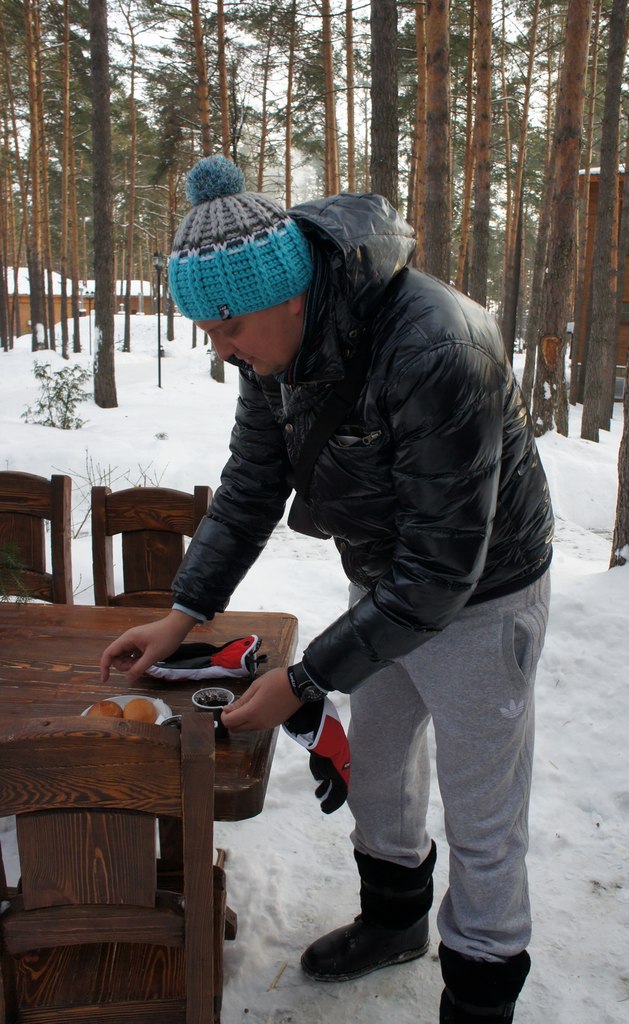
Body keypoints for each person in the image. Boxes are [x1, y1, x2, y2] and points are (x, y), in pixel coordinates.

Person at [100, 154, 554, 1024]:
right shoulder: (271, 353)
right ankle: (394, 920)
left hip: (483, 597)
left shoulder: (436, 347)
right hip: (385, 584)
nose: (220, 349)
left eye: (228, 327)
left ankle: (480, 994)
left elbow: (442, 570)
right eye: (208, 331)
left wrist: (306, 680)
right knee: (379, 771)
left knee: (483, 819)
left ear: (290, 294)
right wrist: (182, 613)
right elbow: (251, 483)